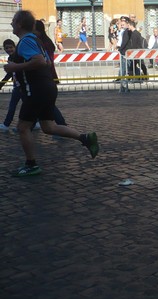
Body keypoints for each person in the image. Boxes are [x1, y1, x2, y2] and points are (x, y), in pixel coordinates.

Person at [3, 10, 99, 177]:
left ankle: (31, 164)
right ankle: (85, 138)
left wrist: (14, 67)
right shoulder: (36, 40)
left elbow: (40, 61)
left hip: (35, 89)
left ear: (19, 24)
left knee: (23, 127)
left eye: (13, 21)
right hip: (47, 87)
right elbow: (46, 61)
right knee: (48, 126)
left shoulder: (26, 41)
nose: (11, 23)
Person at [33, 19, 68, 126]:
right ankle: (31, 124)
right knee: (37, 102)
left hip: (45, 76)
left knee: (47, 103)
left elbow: (45, 61)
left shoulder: (41, 42)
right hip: (47, 75)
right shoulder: (44, 40)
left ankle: (61, 125)